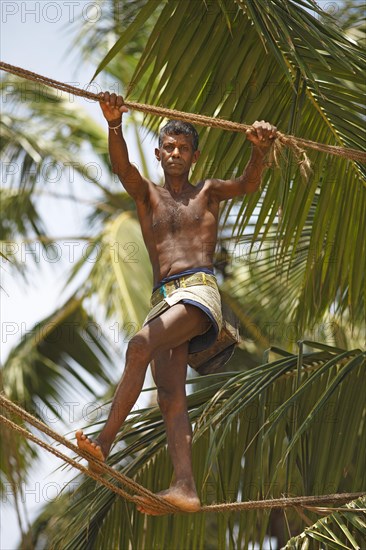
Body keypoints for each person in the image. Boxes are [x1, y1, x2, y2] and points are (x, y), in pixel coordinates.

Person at [76, 92, 277, 515]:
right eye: (169, 147)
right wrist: (114, 124)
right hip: (162, 299)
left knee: (137, 345)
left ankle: (103, 443)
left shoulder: (208, 193)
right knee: (169, 396)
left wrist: (260, 150)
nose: (175, 153)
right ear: (159, 151)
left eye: (183, 148)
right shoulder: (146, 194)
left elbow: (249, 183)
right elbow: (121, 168)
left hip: (199, 292)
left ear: (195, 156)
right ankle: (185, 487)